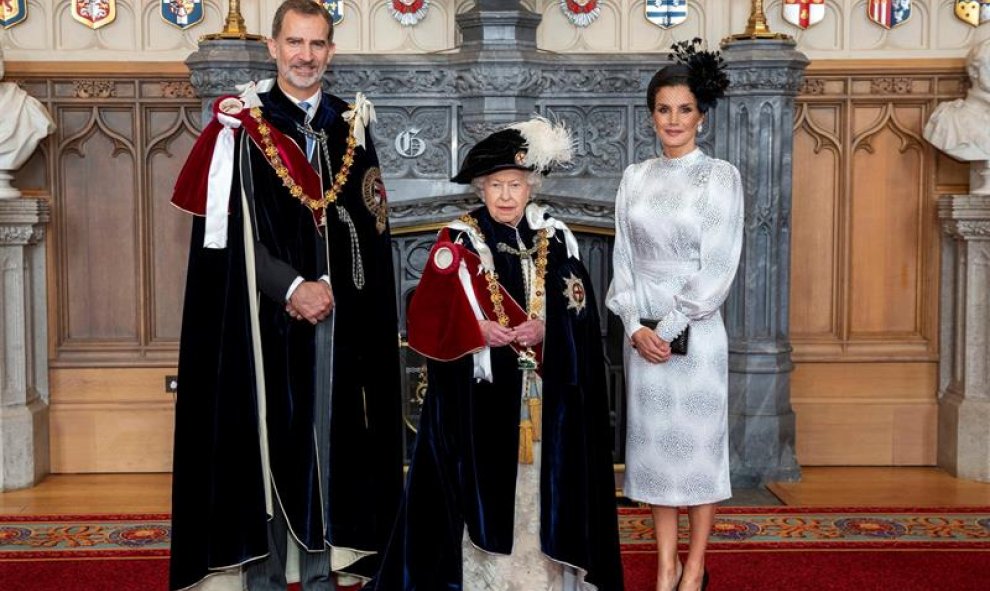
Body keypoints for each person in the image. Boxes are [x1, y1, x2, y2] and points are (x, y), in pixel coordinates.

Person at [168, 1, 403, 589]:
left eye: (317, 44)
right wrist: (294, 287)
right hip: (262, 318)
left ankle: (324, 572)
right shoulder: (242, 126)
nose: (306, 56)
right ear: (272, 47)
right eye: (295, 43)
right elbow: (228, 237)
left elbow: (369, 228)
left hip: (338, 320)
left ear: (331, 51)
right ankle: (266, 577)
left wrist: (335, 292)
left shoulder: (351, 123)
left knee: (334, 442)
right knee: (268, 441)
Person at [369, 118, 624, 590]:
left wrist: (549, 328)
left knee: (541, 489)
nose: (506, 195)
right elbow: (426, 317)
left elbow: (582, 310)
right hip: (479, 400)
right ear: (480, 188)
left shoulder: (556, 237)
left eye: (516, 185)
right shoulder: (459, 240)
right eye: (496, 185)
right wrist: (477, 329)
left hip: (544, 397)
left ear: (532, 187)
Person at [605, 39, 741, 591]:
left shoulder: (721, 177)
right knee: (655, 459)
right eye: (663, 109)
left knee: (699, 456)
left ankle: (694, 567)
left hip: (697, 337)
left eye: (685, 109)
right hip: (643, 339)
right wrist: (635, 326)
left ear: (701, 117)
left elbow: (719, 265)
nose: (673, 119)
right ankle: (664, 566)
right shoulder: (634, 177)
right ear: (651, 115)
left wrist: (669, 327)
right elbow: (621, 259)